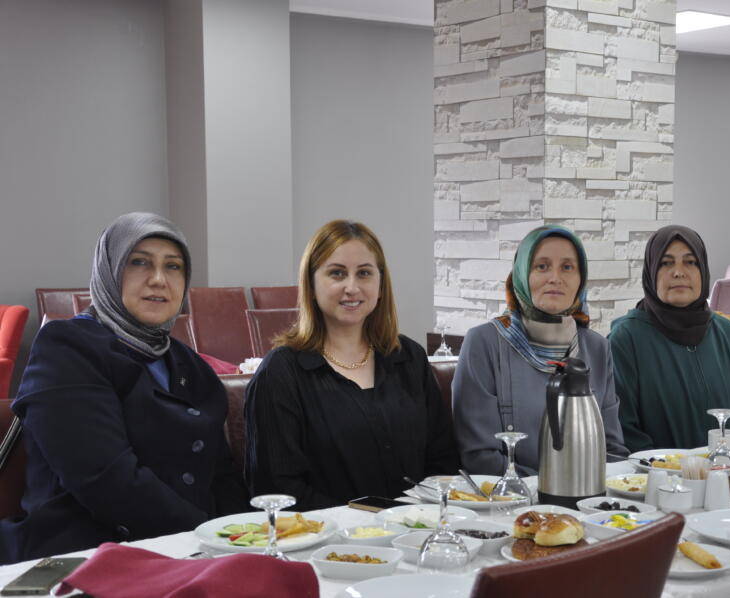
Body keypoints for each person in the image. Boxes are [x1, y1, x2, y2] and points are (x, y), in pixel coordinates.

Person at [0, 213, 247, 565]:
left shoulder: (189, 363)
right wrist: (203, 538)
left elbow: (220, 475)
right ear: (109, 271)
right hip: (81, 554)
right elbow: (105, 478)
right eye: (139, 262)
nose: (159, 279)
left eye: (173, 266)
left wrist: (240, 539)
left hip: (183, 552)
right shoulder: (67, 347)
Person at [244, 220, 458, 509]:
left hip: (416, 528)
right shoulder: (281, 372)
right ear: (311, 285)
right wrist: (369, 521)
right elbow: (278, 489)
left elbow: (443, 461)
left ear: (380, 286)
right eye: (337, 273)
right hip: (324, 533)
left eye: (364, 273)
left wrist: (414, 519)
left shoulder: (410, 357)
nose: (352, 287)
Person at [452, 225, 628, 476]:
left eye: (567, 267)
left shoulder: (597, 348)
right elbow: (479, 456)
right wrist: (554, 489)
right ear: (522, 274)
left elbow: (613, 451)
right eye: (542, 266)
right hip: (511, 497)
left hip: (589, 496)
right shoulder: (484, 343)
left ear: (581, 279)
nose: (555, 278)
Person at [608, 225, 730, 452]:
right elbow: (624, 431)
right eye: (666, 263)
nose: (679, 272)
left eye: (690, 262)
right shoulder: (626, 339)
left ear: (703, 271)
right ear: (651, 271)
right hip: (657, 472)